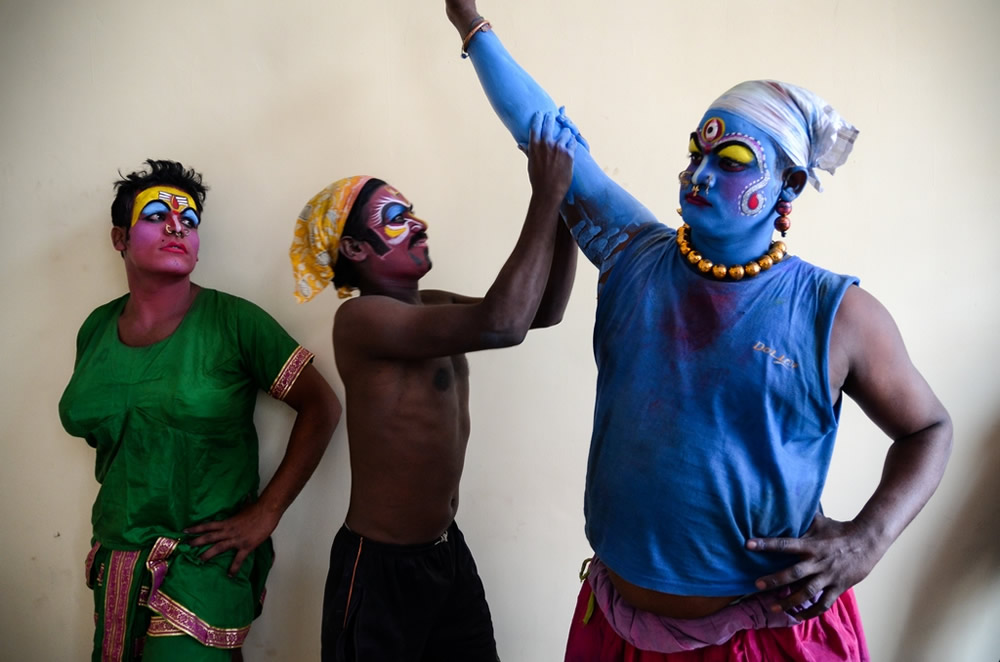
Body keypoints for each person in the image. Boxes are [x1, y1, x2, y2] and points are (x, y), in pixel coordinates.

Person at [442, 2, 954, 660]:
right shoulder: (633, 254)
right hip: (615, 626)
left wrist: (868, 538)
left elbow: (929, 429)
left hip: (764, 640)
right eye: (697, 151)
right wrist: (470, 25)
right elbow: (547, 135)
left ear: (788, 187)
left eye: (733, 159)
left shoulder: (837, 313)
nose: (700, 173)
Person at [289, 113, 578, 661]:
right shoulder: (361, 321)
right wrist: (544, 195)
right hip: (378, 572)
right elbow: (502, 323)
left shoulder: (435, 304)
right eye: (397, 217)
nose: (419, 223)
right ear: (353, 250)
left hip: (446, 555)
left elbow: (542, 313)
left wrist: (564, 210)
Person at [59, 159, 342, 661]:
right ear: (119, 237)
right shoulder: (95, 329)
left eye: (189, 222)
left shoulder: (235, 322)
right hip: (117, 558)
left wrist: (266, 513)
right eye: (157, 216)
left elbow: (322, 406)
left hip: (203, 563)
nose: (176, 227)